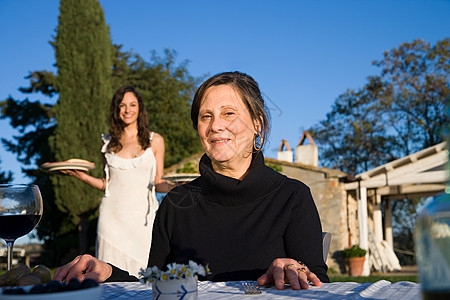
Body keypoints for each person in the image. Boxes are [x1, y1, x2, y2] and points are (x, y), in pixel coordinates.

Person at [54, 72, 329, 290]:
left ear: (257, 122)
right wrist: (109, 272)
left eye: (228, 113)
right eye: (205, 116)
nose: (215, 126)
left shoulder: (292, 198)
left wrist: (296, 270)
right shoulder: (176, 204)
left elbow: (321, 286)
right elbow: (156, 288)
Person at [58, 86, 174, 277]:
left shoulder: (155, 141)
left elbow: (158, 182)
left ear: (140, 109)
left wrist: (179, 186)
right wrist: (81, 176)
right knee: (107, 274)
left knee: (145, 276)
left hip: (143, 221)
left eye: (132, 105)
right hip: (111, 219)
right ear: (116, 110)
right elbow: (107, 184)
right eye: (122, 105)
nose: (127, 110)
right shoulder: (107, 142)